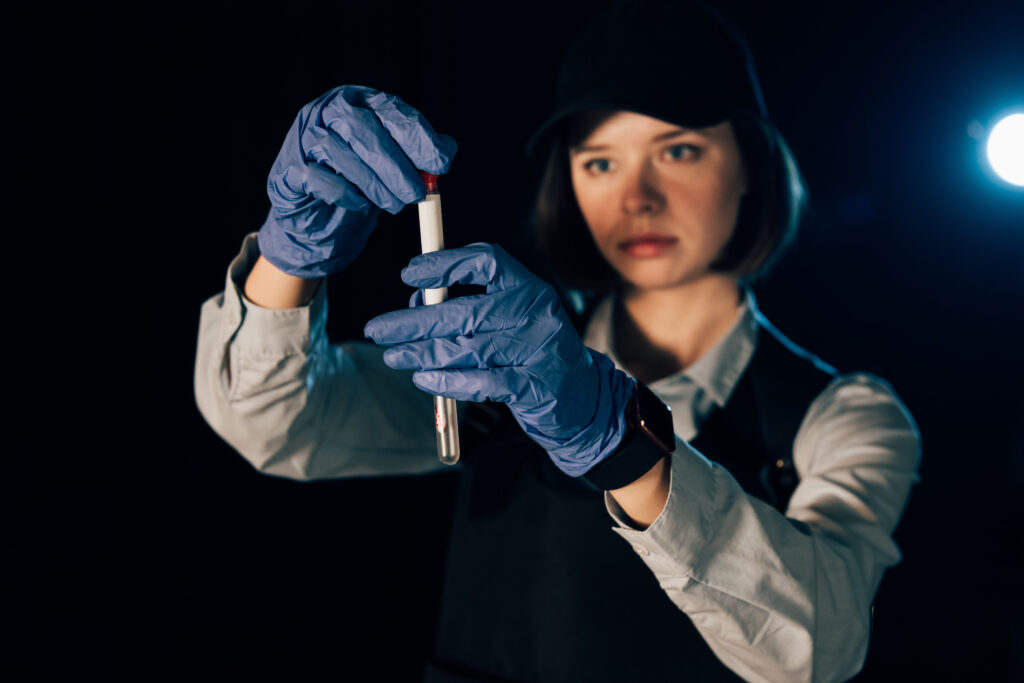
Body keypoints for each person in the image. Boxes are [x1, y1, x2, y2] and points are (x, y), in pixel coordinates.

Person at [194, 1, 921, 681]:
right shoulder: (502, 365)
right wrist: (290, 256)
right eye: (600, 160)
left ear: (752, 168)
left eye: (679, 151)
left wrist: (618, 441)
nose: (637, 195)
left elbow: (820, 650)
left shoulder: (840, 415)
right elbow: (273, 422)